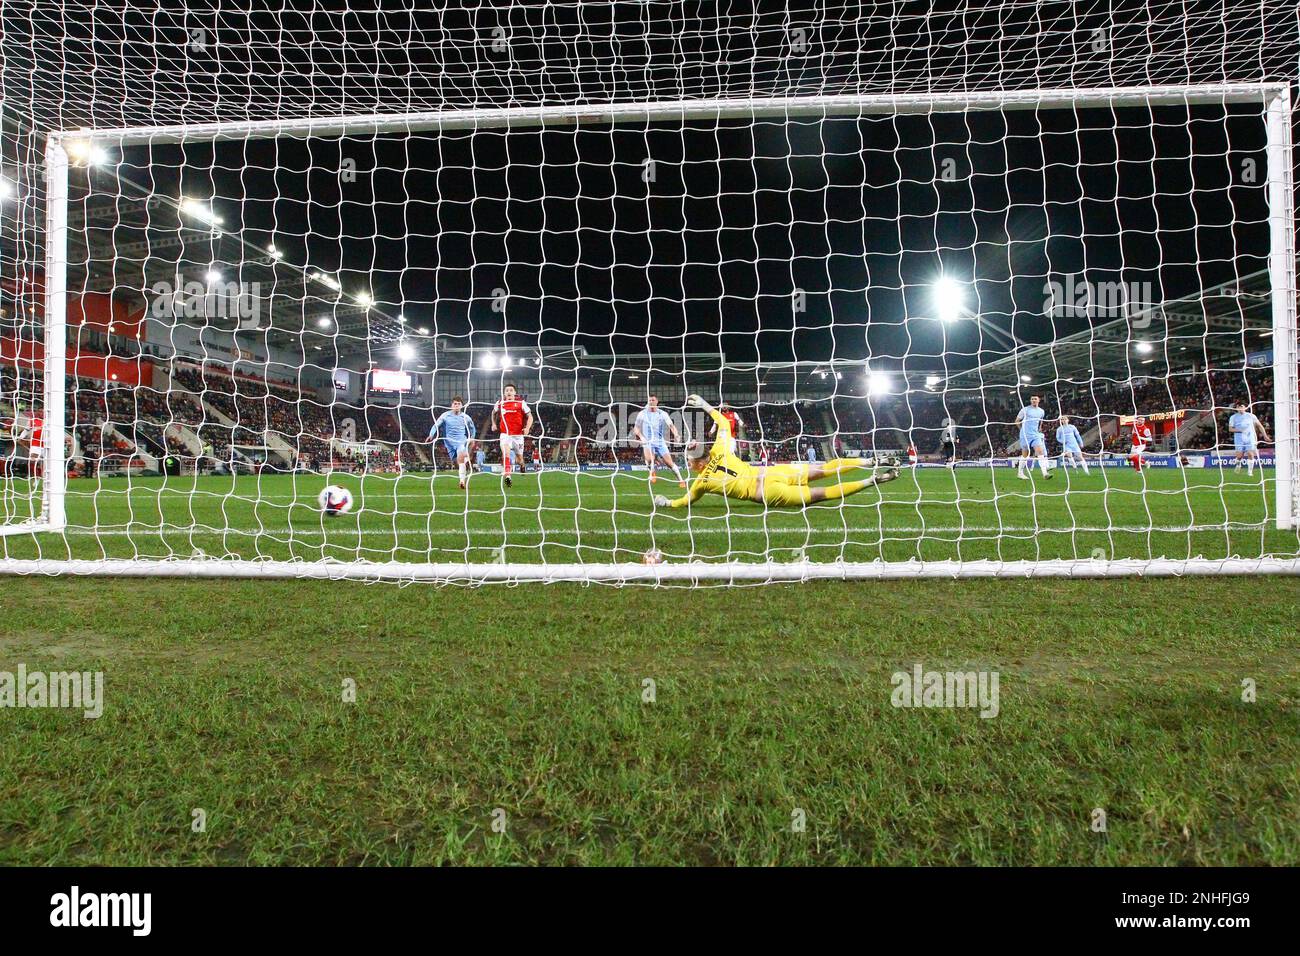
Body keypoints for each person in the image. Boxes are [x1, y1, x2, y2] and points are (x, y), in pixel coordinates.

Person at [654, 395, 900, 509]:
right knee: (823, 470)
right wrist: (707, 406)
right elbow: (722, 420)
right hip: (772, 473)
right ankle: (869, 462)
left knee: (821, 493)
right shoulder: (720, 450)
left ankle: (871, 480)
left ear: (693, 464)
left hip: (767, 491)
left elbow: (682, 502)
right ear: (702, 454)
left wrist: (665, 503)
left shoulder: (702, 482)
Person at [632, 395, 685, 486]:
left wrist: (676, 434)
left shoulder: (662, 413)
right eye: (649, 400)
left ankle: (681, 480)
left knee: (669, 463)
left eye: (653, 400)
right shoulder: (642, 413)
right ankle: (652, 472)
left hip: (660, 442)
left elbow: (671, 426)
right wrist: (641, 437)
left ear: (657, 402)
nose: (651, 401)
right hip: (647, 441)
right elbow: (636, 428)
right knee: (649, 460)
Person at [491, 384, 533, 489]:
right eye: (507, 390)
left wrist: (527, 428)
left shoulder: (520, 403)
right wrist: (493, 424)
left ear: (515, 393)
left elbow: (530, 417)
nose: (509, 392)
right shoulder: (500, 403)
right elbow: (493, 413)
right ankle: (508, 477)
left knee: (519, 459)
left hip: (518, 436)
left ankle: (522, 465)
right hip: (505, 434)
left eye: (511, 390)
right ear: (504, 393)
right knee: (506, 454)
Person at [429, 396, 477, 489]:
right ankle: (466, 459)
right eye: (455, 403)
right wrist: (431, 435)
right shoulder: (445, 415)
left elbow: (472, 428)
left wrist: (472, 437)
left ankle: (462, 481)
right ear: (451, 405)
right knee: (457, 462)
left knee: (460, 457)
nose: (457, 405)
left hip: (461, 441)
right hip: (449, 443)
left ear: (462, 406)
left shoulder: (466, 417)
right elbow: (436, 425)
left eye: (459, 404)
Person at [1014, 395, 1053, 480]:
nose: (1034, 400)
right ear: (1030, 400)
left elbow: (1040, 421)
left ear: (1039, 400)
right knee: (1025, 455)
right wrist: (1022, 430)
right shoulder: (1025, 409)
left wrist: (1039, 428)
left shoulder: (1041, 411)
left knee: (1040, 451)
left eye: (1035, 399)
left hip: (1035, 435)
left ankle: (1045, 473)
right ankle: (1020, 473)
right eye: (1032, 399)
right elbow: (1016, 421)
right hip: (1025, 435)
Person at [1228, 401, 1270, 476]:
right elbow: (1230, 429)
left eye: (1241, 407)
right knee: (1239, 456)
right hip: (1239, 438)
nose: (1240, 408)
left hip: (1250, 437)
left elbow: (1260, 426)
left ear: (1245, 408)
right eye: (1238, 407)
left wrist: (1265, 436)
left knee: (1250, 454)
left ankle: (1250, 472)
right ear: (1236, 408)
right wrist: (1240, 430)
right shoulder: (1233, 417)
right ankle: (1238, 465)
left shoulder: (1251, 416)